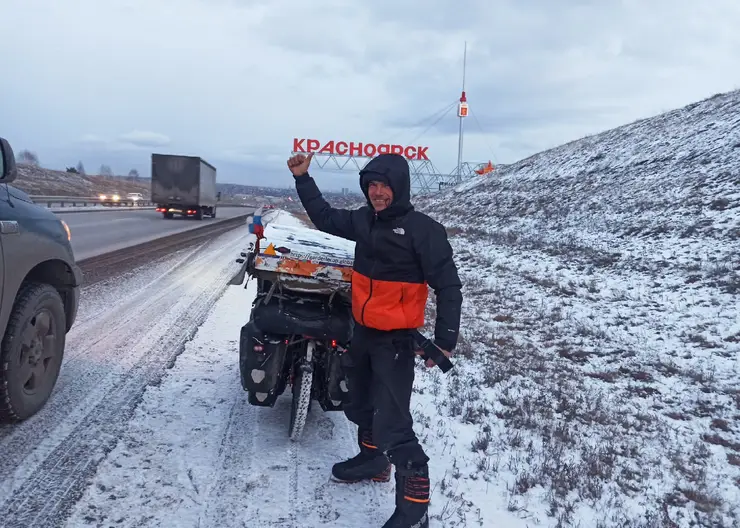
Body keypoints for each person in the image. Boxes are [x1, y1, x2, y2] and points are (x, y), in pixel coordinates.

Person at [287, 151, 463, 528]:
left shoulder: (423, 230)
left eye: (384, 185)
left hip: (396, 343)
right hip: (362, 333)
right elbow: (325, 217)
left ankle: (414, 510)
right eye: (372, 185)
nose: (377, 193)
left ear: (399, 187)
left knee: (395, 425)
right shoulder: (363, 220)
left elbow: (449, 287)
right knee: (358, 405)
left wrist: (445, 339)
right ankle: (372, 461)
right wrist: (304, 178)